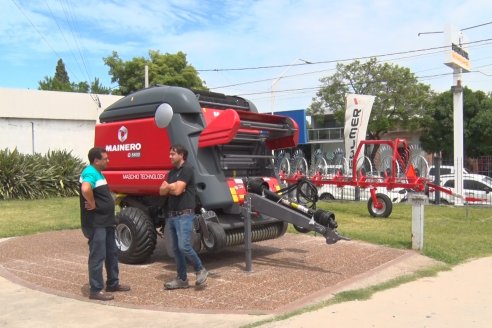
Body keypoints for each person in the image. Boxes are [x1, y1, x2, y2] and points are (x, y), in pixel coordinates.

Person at [79, 147, 130, 301]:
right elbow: (85, 188)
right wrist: (92, 203)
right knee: (98, 255)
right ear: (96, 160)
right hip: (96, 224)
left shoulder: (99, 173)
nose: (108, 160)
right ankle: (96, 290)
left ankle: (113, 283)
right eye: (105, 158)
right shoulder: (89, 172)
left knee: (112, 253)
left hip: (106, 222)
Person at [159, 144, 208, 289]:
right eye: (170, 154)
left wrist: (170, 187)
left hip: (184, 215)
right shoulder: (171, 172)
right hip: (172, 216)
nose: (170, 156)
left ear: (181, 155)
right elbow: (161, 191)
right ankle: (182, 279)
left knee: (184, 246)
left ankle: (200, 269)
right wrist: (170, 187)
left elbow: (178, 191)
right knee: (176, 249)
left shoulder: (187, 169)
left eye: (173, 154)